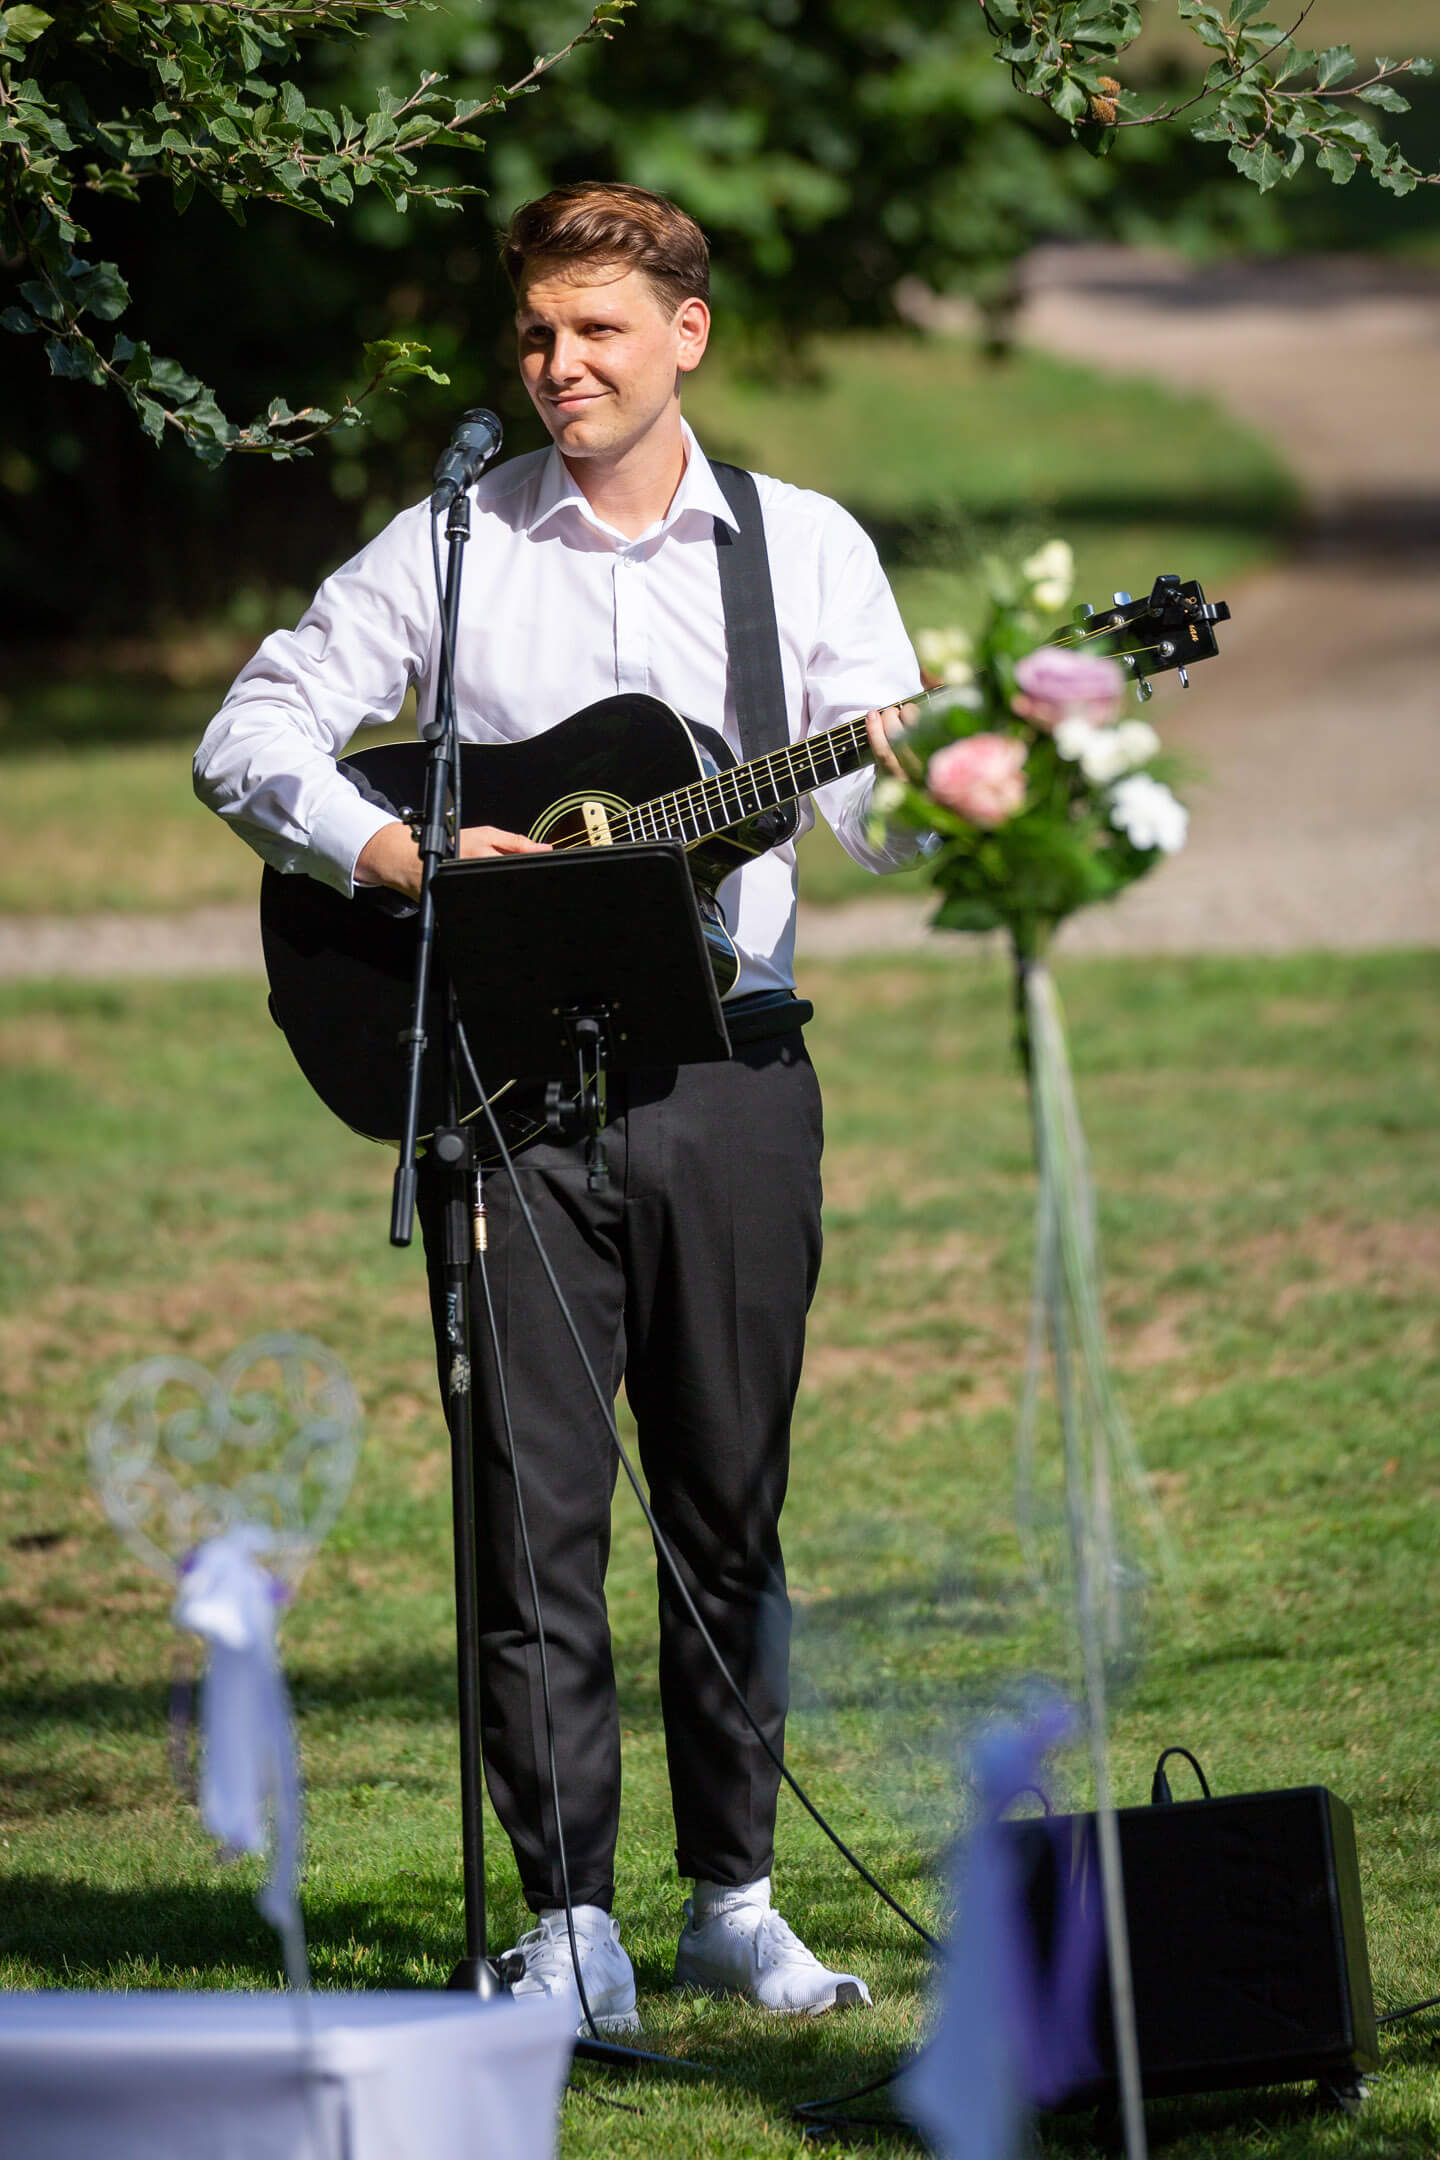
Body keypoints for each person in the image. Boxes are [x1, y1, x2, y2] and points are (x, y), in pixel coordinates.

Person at [195, 181, 924, 2029]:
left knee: (730, 1504)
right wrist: (402, 850)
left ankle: (735, 1902)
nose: (559, 363)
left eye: (597, 329)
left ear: (687, 335)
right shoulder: (452, 543)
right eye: (536, 331)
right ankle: (568, 1919)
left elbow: (883, 821)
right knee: (529, 1522)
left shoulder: (802, 546)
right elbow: (248, 734)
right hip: (507, 1100)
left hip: (732, 1078)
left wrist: (955, 767)